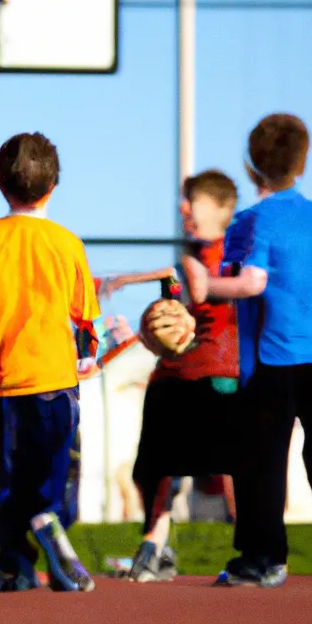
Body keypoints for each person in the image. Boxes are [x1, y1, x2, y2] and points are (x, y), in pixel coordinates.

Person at [206, 113, 312, 588]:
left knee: (261, 455)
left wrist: (203, 287)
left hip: (274, 360)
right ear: (303, 162)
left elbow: (250, 282)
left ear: (250, 166)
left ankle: (264, 557)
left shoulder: (253, 221)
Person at [0, 132, 99, 593]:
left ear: (0, 184)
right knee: (56, 469)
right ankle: (49, 522)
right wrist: (87, 356)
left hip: (2, 381)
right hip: (56, 380)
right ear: (54, 185)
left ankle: (14, 567)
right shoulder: (68, 243)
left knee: (9, 477)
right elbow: (83, 318)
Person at [101, 170, 241, 582]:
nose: (183, 209)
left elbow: (193, 285)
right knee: (154, 467)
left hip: (217, 375)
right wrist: (145, 335)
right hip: (175, 376)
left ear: (220, 209)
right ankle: (154, 546)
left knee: (230, 467)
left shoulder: (237, 255)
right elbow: (174, 300)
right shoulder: (190, 258)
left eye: (192, 201)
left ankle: (256, 548)